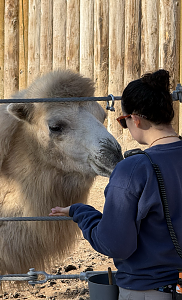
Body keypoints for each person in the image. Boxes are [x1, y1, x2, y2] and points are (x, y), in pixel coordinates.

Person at [49, 69, 182, 300]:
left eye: (123, 121)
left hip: (148, 290)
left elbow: (116, 244)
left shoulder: (133, 169)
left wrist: (82, 212)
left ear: (136, 119)